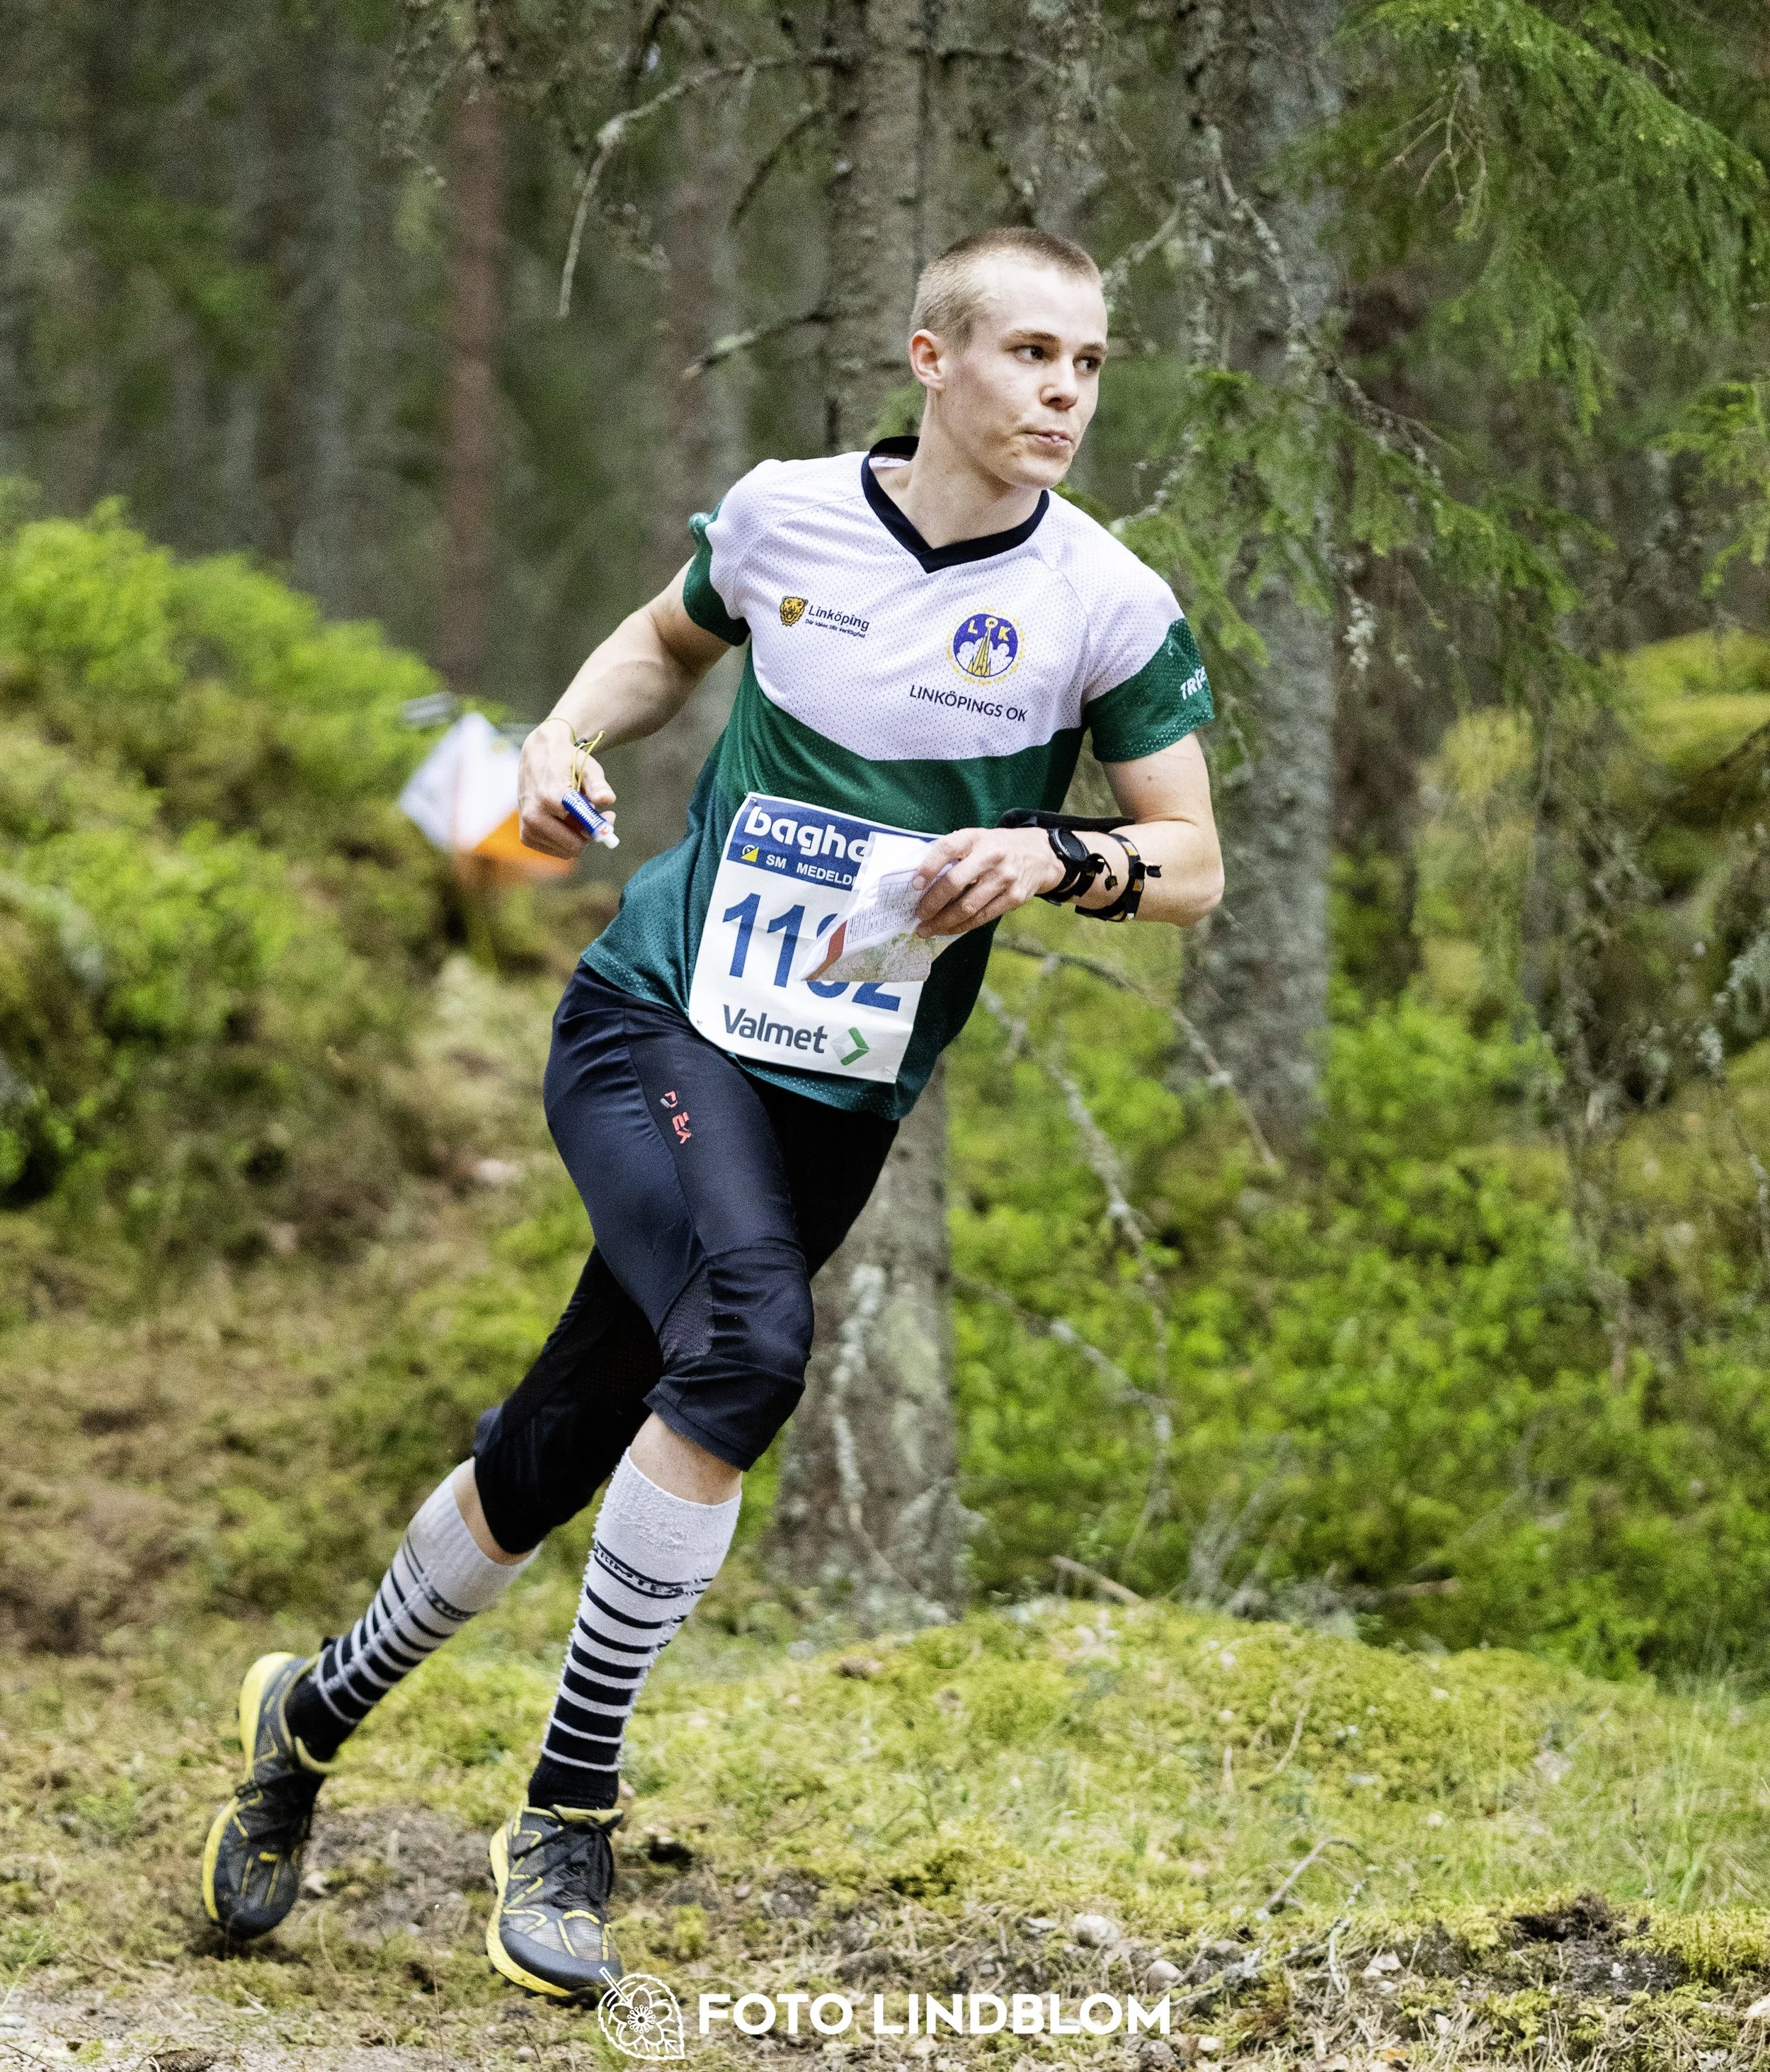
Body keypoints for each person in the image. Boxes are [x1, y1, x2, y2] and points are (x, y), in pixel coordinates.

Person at [200, 223, 1224, 2000]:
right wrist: (555, 741)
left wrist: (1049, 853)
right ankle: (568, 1807)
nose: (1061, 392)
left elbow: (1192, 858)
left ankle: (305, 1713)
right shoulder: (785, 514)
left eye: (1086, 364)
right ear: (931, 359)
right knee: (747, 1344)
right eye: (1027, 354)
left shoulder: (1105, 603)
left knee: (561, 1436)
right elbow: (664, 646)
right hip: (654, 1014)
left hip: (837, 1081)